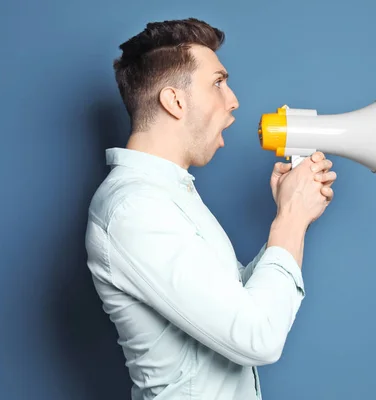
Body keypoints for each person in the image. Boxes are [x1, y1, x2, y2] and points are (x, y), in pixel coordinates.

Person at [85, 18, 337, 400]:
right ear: (175, 101)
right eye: (218, 82)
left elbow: (236, 302)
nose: (233, 99)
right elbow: (258, 337)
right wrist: (291, 218)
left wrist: (291, 214)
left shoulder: (168, 196)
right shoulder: (134, 209)